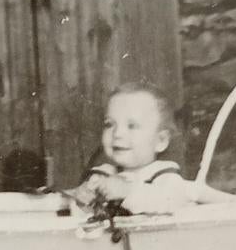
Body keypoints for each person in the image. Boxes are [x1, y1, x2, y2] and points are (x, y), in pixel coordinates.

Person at [69, 81, 191, 215]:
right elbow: (80, 219)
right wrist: (81, 200)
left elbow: (173, 202)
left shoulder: (166, 176)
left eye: (132, 126)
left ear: (160, 141)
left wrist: (128, 191)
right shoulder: (102, 175)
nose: (117, 134)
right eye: (109, 124)